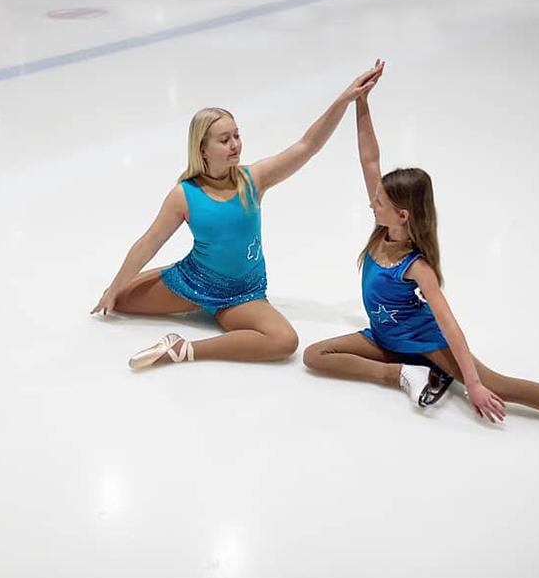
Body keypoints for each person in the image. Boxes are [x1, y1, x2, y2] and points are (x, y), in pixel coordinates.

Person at [302, 61, 539, 457]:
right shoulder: (381, 229)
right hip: (387, 340)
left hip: (425, 341)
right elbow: (369, 160)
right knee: (317, 355)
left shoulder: (417, 267)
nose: (372, 203)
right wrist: (361, 102)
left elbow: (450, 326)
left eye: (380, 202)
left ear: (403, 215)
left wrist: (472, 383)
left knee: (498, 383)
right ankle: (403, 375)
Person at [92, 65, 384, 369]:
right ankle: (143, 288)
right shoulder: (184, 194)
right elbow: (148, 243)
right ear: (202, 149)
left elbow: (307, 146)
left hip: (242, 293)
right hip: (191, 282)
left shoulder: (253, 179)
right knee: (118, 300)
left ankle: (182, 349)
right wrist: (114, 290)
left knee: (285, 341)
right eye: (224, 140)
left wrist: (345, 100)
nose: (235, 145)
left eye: (236, 136)